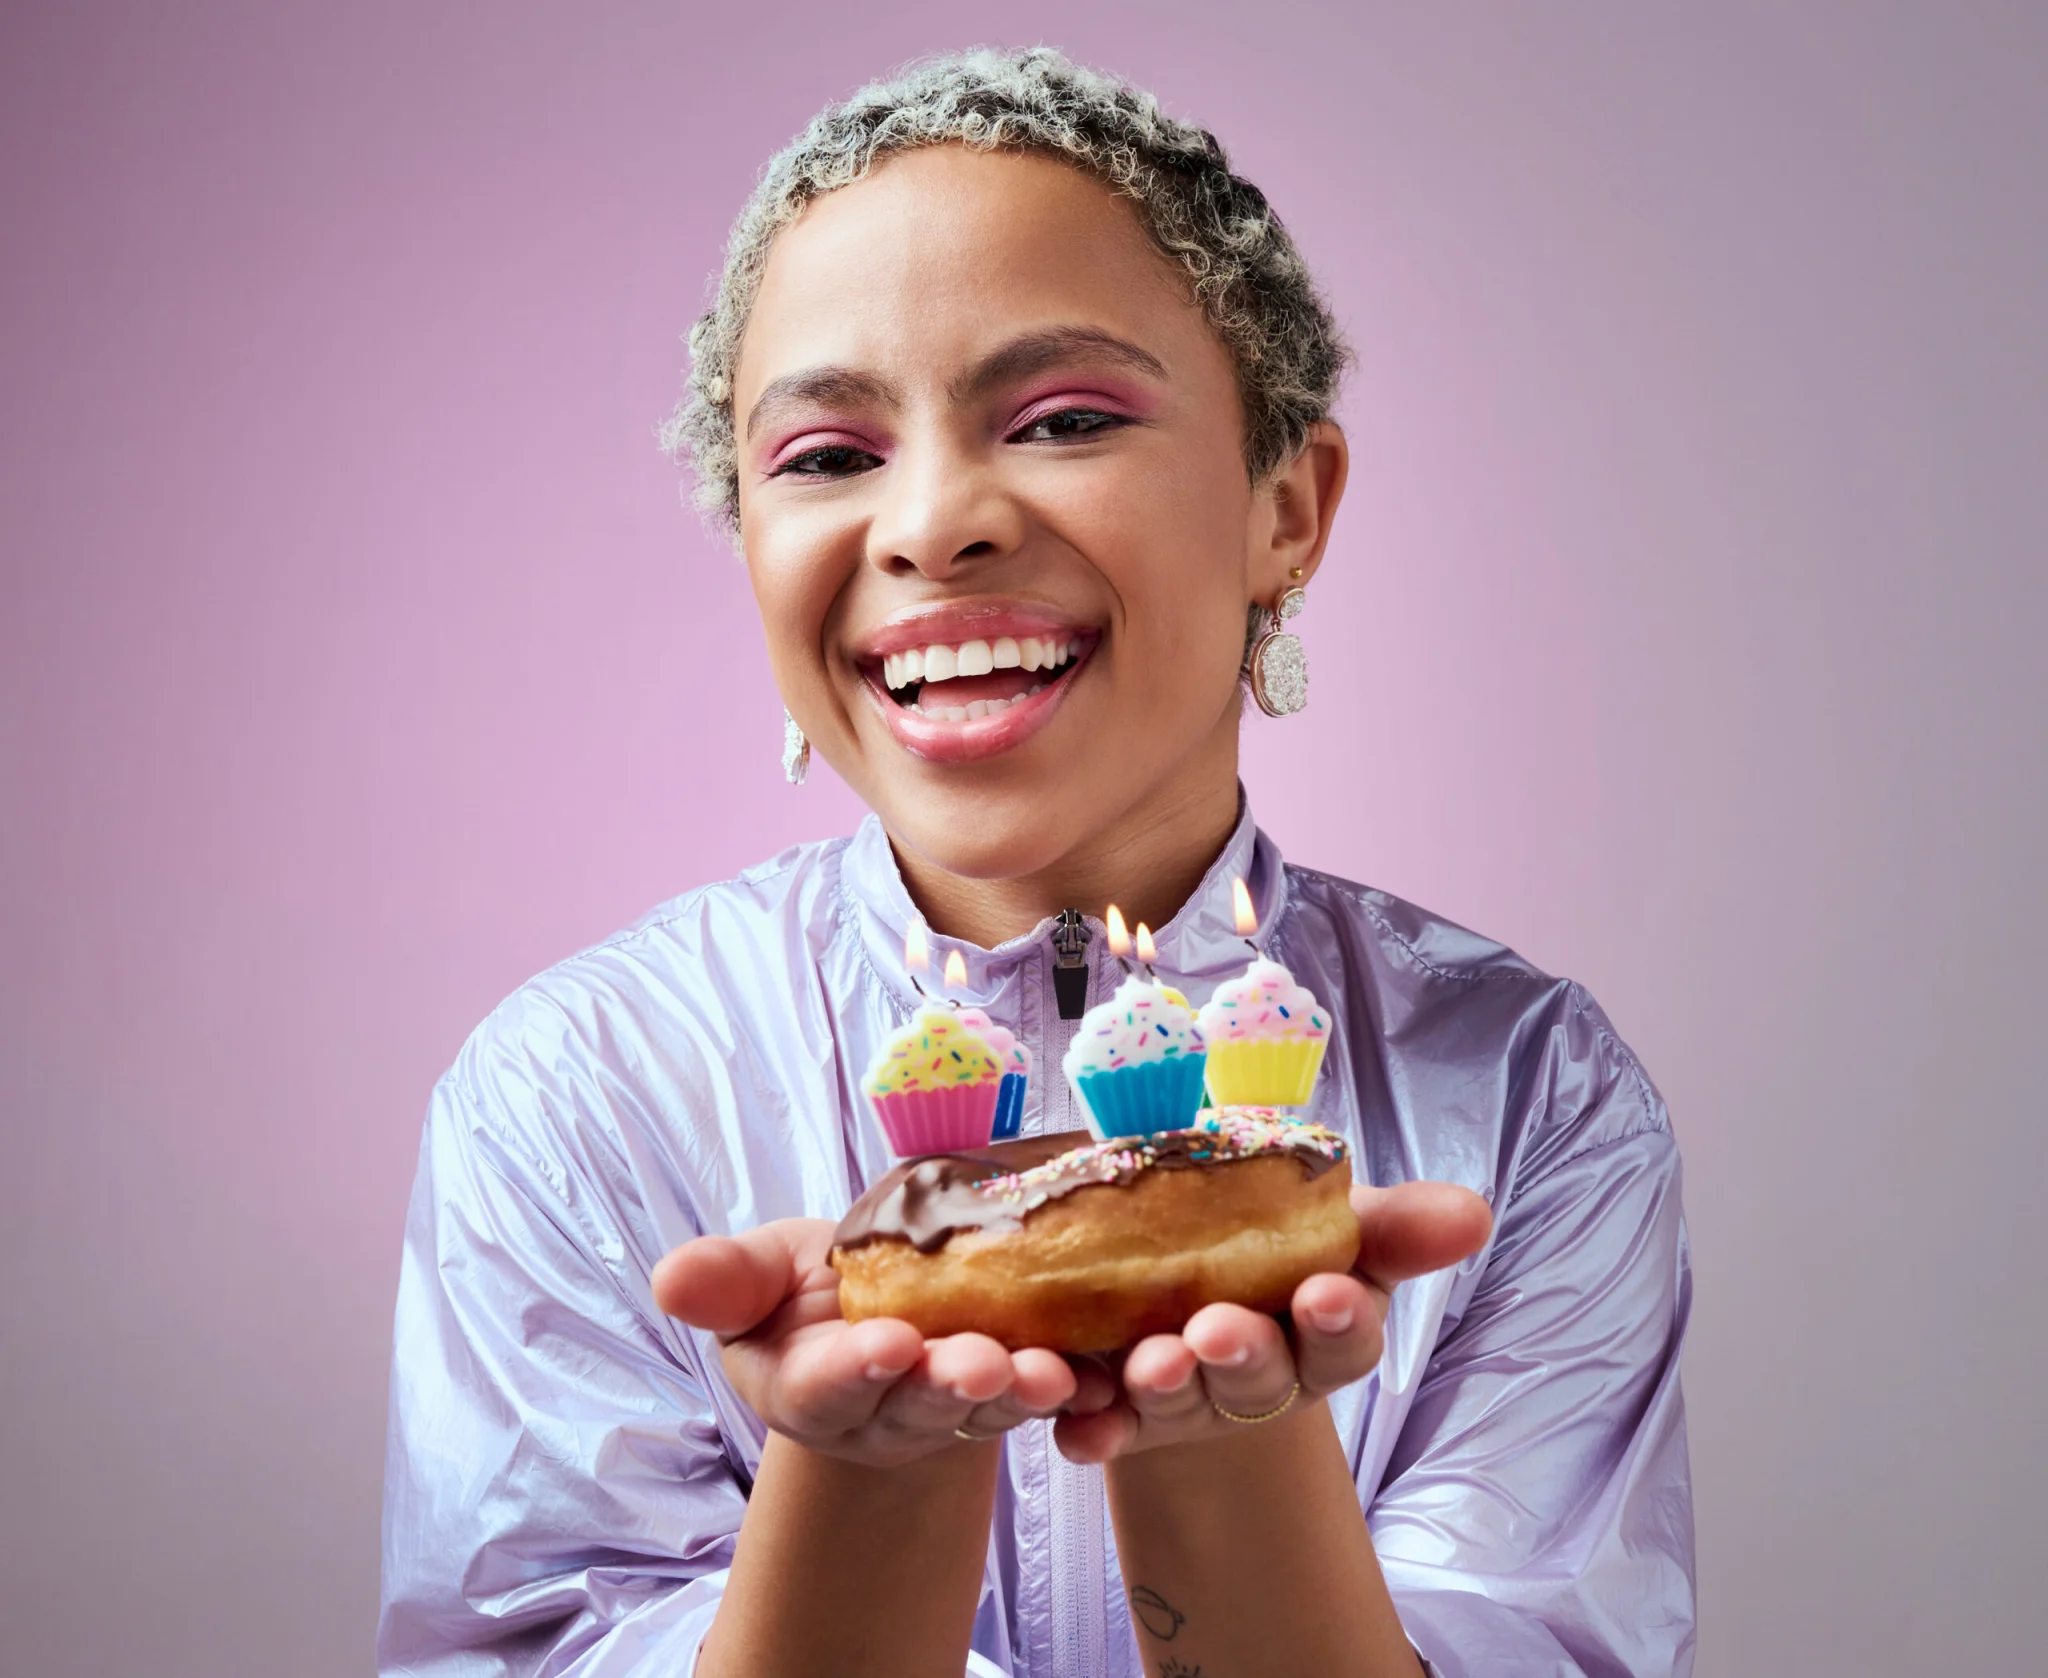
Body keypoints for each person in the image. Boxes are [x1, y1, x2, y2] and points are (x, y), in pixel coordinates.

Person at [378, 47, 1694, 1678]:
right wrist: (865, 1470)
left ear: (1287, 507)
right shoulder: (572, 1098)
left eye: (1065, 419)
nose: (934, 523)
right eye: (828, 454)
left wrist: (1225, 1438)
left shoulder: (1531, 1096)